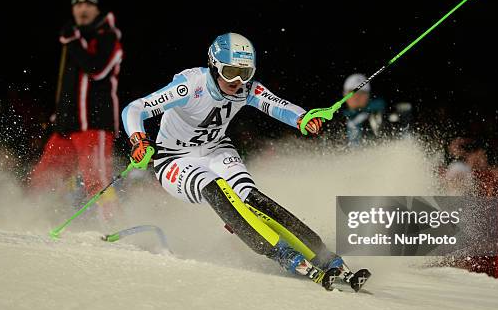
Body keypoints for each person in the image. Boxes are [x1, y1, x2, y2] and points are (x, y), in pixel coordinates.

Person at [122, 33, 368, 290]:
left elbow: (277, 105)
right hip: (174, 158)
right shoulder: (190, 85)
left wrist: (303, 119)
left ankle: (325, 257)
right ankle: (282, 254)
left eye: (245, 73)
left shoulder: (245, 88)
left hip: (216, 150)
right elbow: (135, 108)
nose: (238, 81)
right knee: (216, 189)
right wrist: (139, 141)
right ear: (214, 66)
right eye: (230, 72)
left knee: (251, 198)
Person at [30, 0, 123, 204]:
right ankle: (32, 219)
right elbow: (68, 83)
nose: (83, 9)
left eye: (89, 5)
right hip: (67, 124)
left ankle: (112, 226)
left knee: (97, 180)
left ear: (97, 9)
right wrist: (59, 114)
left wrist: (73, 42)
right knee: (44, 178)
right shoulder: (73, 36)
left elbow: (97, 70)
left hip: (94, 123)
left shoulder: (108, 37)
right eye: (78, 5)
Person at [340, 73, 385, 146]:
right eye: (351, 92)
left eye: (362, 92)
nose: (357, 96)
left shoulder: (378, 115)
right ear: (344, 94)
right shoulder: (337, 118)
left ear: (369, 95)